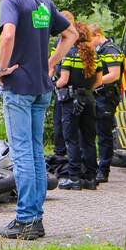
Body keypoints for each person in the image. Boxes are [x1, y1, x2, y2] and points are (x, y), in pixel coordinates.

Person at [0, 0, 77, 240]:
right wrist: (52, 62)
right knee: (36, 152)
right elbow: (72, 34)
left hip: (18, 87)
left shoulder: (11, 0)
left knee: (22, 154)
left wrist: (2, 68)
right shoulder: (43, 2)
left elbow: (7, 35)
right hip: (42, 87)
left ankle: (26, 220)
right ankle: (36, 218)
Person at [55, 23, 101, 190]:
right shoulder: (95, 56)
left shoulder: (70, 55)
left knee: (72, 138)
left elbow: (64, 80)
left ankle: (74, 177)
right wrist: (87, 90)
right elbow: (99, 81)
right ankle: (91, 178)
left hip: (71, 101)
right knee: (89, 139)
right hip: (89, 100)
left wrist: (54, 85)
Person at [92, 26, 124, 183]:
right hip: (97, 96)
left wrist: (94, 82)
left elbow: (114, 75)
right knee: (94, 133)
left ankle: (104, 170)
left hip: (106, 97)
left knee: (104, 135)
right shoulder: (100, 50)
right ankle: (95, 167)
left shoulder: (110, 50)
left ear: (98, 35)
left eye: (90, 40)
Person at [50, 10, 75, 169]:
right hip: (62, 91)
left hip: (70, 90)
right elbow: (52, 65)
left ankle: (69, 163)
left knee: (68, 127)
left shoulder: (76, 43)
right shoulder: (58, 44)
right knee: (59, 124)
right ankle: (60, 159)